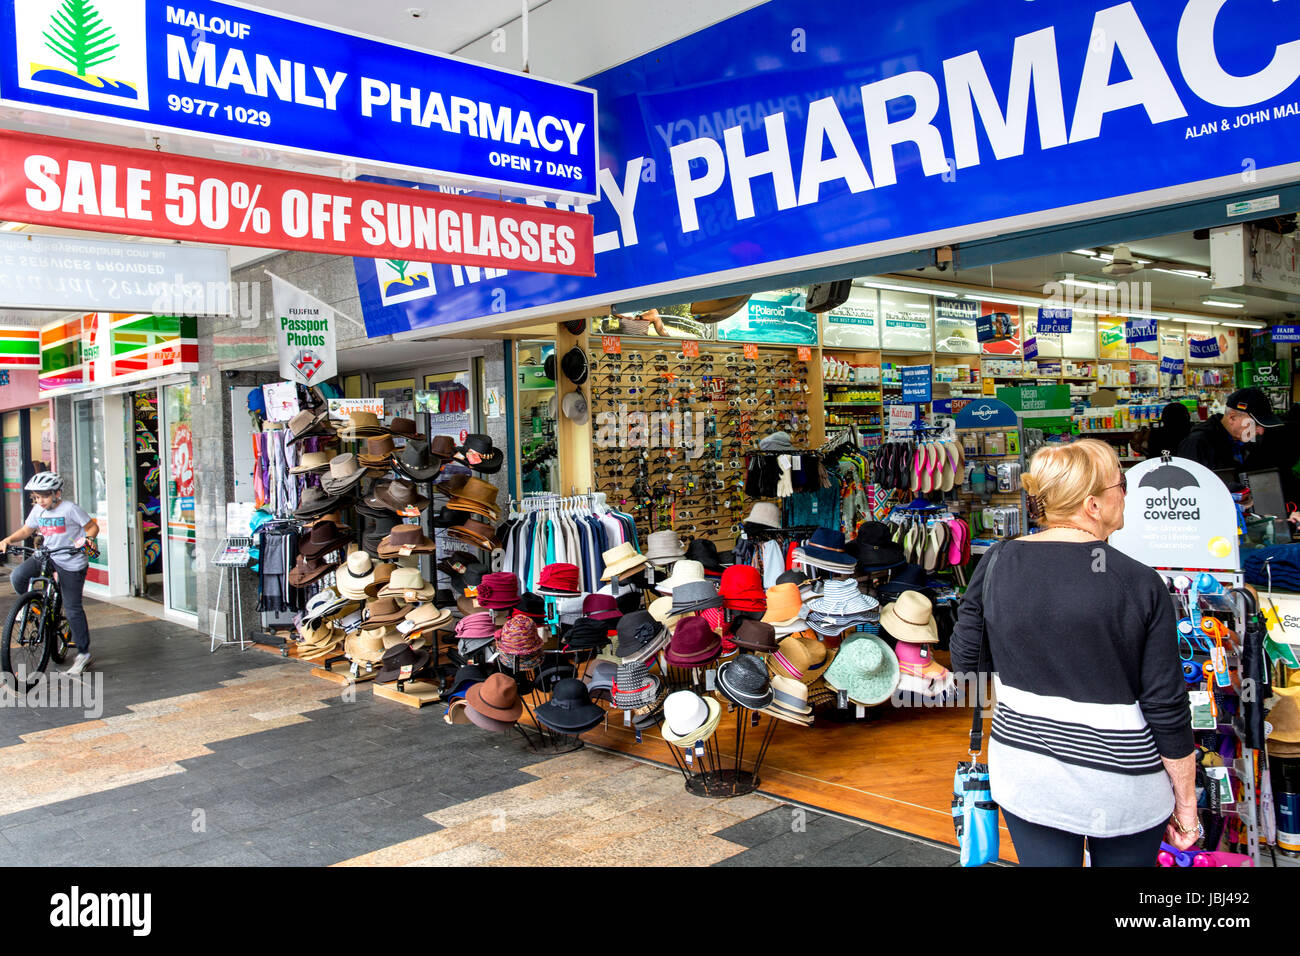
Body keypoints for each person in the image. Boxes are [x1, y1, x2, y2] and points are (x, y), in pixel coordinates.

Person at [951, 440, 1197, 866]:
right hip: (1123, 786)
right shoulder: (1139, 583)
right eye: (1121, 484)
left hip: (1027, 773)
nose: (1127, 493)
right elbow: (1166, 706)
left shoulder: (997, 560)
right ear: (1093, 505)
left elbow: (967, 664)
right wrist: (1187, 804)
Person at [0, 472, 98, 675]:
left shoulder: (70, 509)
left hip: (71, 561)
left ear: (56, 493)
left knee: (72, 609)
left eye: (44, 496)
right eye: (37, 496)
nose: (40, 500)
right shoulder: (38, 510)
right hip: (47, 555)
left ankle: (83, 655)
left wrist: (87, 540)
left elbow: (91, 527)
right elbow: (27, 530)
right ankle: (35, 609)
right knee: (17, 576)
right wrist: (8, 539)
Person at [1176, 387, 1283, 474]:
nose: (1261, 432)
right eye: (1255, 425)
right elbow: (1191, 492)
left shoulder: (1251, 442)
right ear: (1232, 417)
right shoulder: (1197, 444)